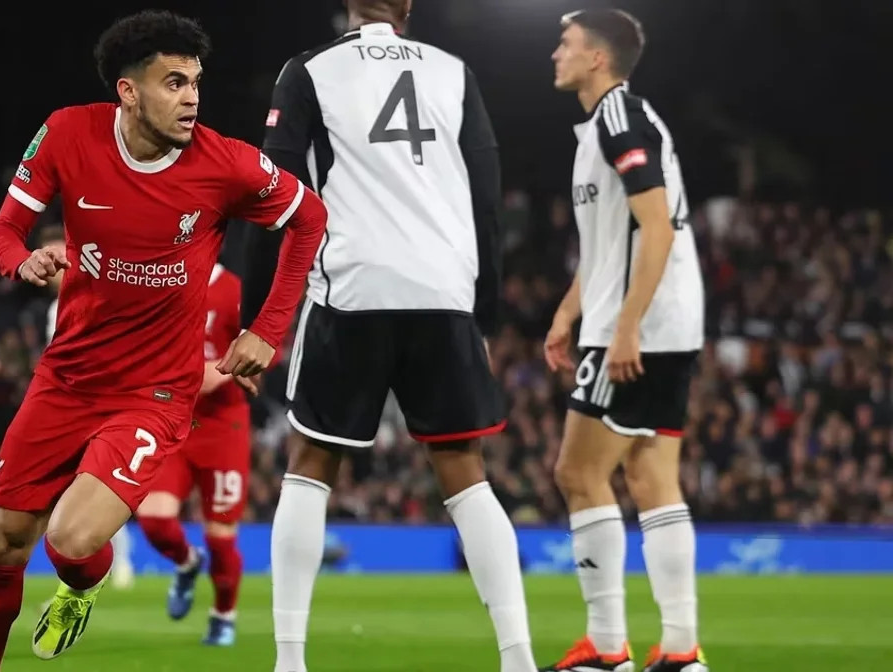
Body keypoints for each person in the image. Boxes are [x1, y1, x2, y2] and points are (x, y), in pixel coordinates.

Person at [0, 10, 327, 671]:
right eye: (173, 82)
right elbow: (3, 234)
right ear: (128, 92)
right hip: (66, 377)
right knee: (5, 542)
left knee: (69, 543)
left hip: (153, 391)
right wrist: (23, 261)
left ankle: (82, 581)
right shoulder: (67, 133)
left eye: (194, 82)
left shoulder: (225, 164)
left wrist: (268, 329)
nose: (191, 97)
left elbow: (311, 220)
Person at [242, 1, 537, 671]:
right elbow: (485, 195)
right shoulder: (453, 71)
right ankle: (517, 658)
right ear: (406, 8)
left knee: (310, 466)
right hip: (443, 290)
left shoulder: (311, 70)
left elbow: (272, 189)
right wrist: (481, 311)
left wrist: (257, 318)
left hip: (354, 284)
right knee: (467, 477)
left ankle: (290, 661)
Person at [542, 9, 707, 672]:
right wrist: (566, 313)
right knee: (649, 475)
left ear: (598, 59)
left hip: (641, 327)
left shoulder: (618, 118)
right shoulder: (605, 126)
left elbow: (657, 228)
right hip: (663, 323)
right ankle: (680, 651)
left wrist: (627, 325)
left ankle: (607, 646)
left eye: (567, 43)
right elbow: (614, 243)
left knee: (578, 472)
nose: (556, 54)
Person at [135, 259, 250, 646]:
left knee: (221, 536)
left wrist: (227, 370)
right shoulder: (158, 281)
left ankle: (223, 615)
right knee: (152, 519)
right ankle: (187, 562)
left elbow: (263, 350)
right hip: (173, 419)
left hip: (223, 428)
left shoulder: (234, 290)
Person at [40, 222, 136, 591]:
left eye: (61, 254)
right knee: (70, 495)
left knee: (100, 489)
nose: (57, 264)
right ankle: (84, 572)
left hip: (110, 408)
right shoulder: (57, 310)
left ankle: (120, 561)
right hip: (69, 408)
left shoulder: (103, 295)